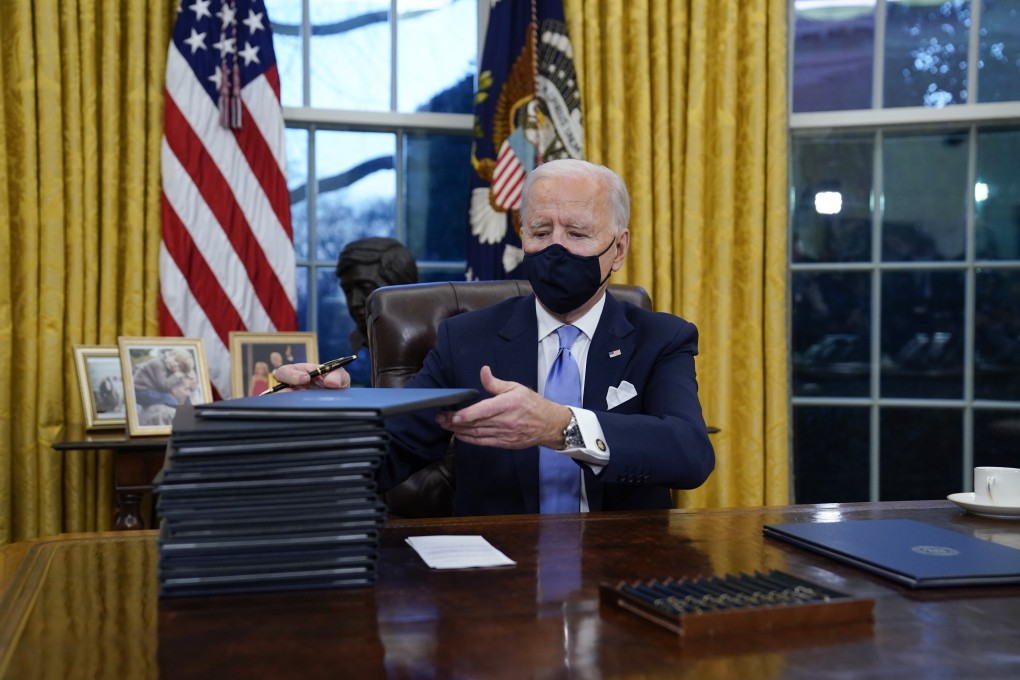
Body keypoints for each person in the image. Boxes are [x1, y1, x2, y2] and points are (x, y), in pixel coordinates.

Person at [276, 158, 715, 515]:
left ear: (618, 249)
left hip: (620, 571)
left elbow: (689, 454)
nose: (555, 249)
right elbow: (389, 454)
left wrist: (561, 427)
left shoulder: (661, 338)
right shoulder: (465, 340)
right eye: (541, 232)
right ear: (522, 235)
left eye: (577, 234)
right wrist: (332, 412)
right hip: (496, 575)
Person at [336, 237, 419, 387]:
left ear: (402, 288)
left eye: (366, 288)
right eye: (348, 291)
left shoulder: (438, 348)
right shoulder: (341, 351)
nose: (354, 302)